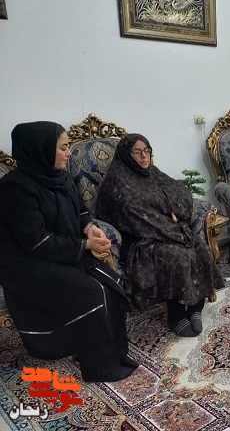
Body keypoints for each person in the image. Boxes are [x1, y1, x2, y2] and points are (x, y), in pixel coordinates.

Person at [0, 122, 137, 382]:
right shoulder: (16, 188)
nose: (69, 153)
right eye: (63, 148)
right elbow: (35, 241)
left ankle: (115, 352)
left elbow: (81, 210)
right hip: (27, 263)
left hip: (61, 252)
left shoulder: (59, 177)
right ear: (42, 150)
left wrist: (90, 228)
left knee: (110, 283)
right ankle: (100, 367)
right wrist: (85, 246)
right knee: (91, 292)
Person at [95, 134, 224, 337]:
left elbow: (180, 191)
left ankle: (195, 306)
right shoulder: (117, 183)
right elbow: (133, 214)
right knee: (178, 255)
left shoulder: (152, 173)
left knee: (199, 246)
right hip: (139, 238)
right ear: (126, 155)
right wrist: (168, 225)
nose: (144, 156)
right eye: (137, 152)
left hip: (167, 229)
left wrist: (174, 210)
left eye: (147, 151)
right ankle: (176, 315)